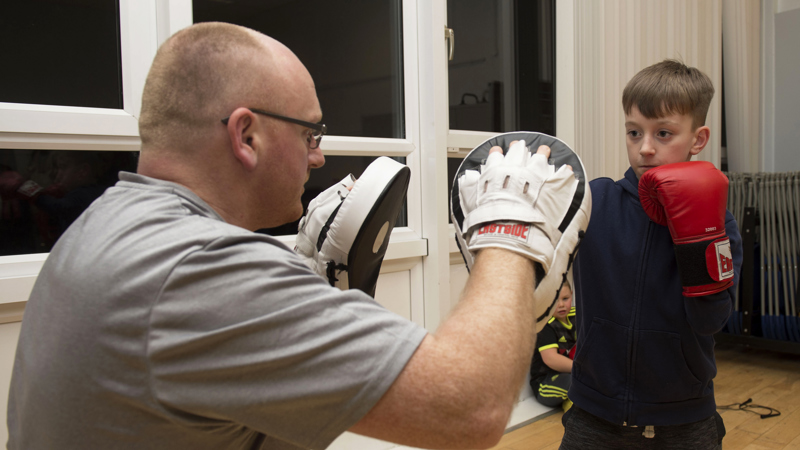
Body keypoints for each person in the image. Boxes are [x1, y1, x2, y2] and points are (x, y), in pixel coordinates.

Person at [7, 22, 578, 450]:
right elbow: (470, 408)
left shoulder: (107, 225)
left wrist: (309, 286)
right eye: (310, 132)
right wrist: (509, 228)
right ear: (246, 135)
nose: (319, 155)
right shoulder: (198, 269)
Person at [563, 59, 743, 449]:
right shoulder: (596, 203)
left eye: (663, 133)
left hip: (683, 417)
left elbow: (711, 319)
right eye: (633, 132)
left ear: (698, 139)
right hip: (594, 413)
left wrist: (696, 234)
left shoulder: (720, 223)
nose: (645, 147)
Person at [529, 280, 576, 412]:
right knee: (576, 381)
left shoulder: (577, 315)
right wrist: (582, 370)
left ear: (572, 295)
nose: (561, 305)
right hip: (546, 383)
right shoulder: (545, 324)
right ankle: (575, 405)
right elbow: (550, 359)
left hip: (572, 372)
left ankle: (575, 402)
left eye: (565, 298)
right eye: (555, 301)